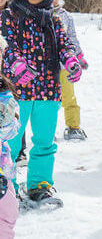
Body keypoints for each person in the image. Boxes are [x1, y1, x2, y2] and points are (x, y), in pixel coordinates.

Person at [2, 0, 81, 207]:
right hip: (18, 91)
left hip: (48, 90)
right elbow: (6, 46)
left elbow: (65, 45)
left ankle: (40, 185)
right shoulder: (9, 16)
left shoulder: (54, 18)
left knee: (45, 142)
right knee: (11, 142)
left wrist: (71, 61)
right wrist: (17, 66)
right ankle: (9, 188)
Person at [49, 0, 89, 140]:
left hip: (65, 65)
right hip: (47, 66)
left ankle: (74, 127)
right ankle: (47, 130)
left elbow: (72, 38)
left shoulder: (66, 16)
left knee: (69, 97)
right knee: (49, 101)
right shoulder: (41, 13)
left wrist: (79, 56)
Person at [0, 0, 25, 168]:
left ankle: (19, 148)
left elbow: (13, 43)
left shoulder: (9, 16)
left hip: (7, 70)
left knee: (11, 108)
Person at [0, 34, 20, 238]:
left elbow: (13, 129)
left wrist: (8, 121)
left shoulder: (4, 90)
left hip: (1, 167)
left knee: (7, 214)